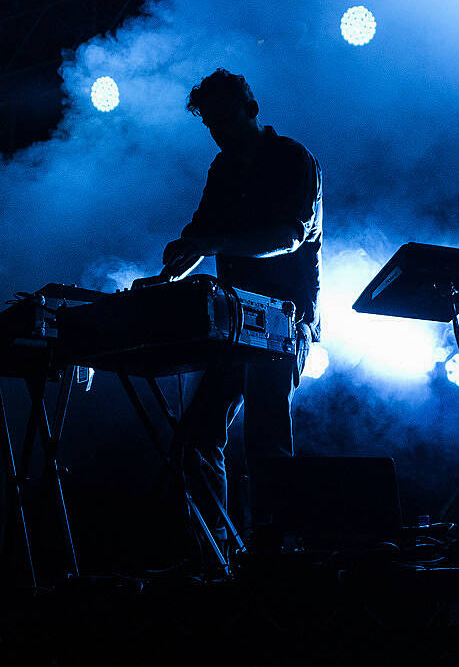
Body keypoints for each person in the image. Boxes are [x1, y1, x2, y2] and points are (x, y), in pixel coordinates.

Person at [160, 69, 322, 563]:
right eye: (209, 123)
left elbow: (289, 235)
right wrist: (177, 258)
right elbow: (201, 232)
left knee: (264, 440)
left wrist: (211, 243)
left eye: (224, 119)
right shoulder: (222, 169)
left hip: (283, 318)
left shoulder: (293, 158)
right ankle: (218, 558)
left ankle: (275, 557)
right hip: (233, 323)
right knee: (196, 436)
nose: (218, 131)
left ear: (250, 108)